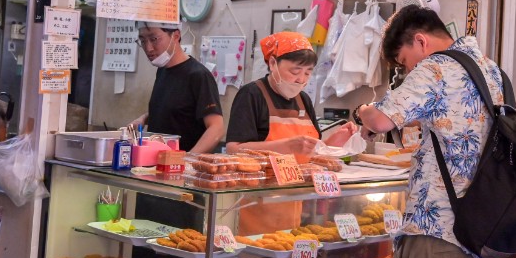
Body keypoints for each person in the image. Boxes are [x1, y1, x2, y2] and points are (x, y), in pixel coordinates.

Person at [355, 5, 499, 258]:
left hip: (438, 235)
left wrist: (361, 111)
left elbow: (379, 120)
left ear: (420, 42)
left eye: (405, 62)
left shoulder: (436, 68)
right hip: (480, 236)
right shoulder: (490, 70)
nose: (407, 72)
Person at [226, 31, 356, 158]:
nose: (301, 79)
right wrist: (287, 146)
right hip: (267, 177)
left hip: (303, 177)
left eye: (307, 73)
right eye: (295, 71)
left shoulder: (303, 99)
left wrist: (332, 142)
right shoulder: (251, 94)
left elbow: (310, 153)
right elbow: (233, 149)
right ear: (273, 64)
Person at [127, 21, 223, 153]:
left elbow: (216, 127)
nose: (148, 48)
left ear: (176, 35)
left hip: (181, 168)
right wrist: (144, 118)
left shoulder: (198, 75)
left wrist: (188, 160)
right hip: (156, 163)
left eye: (154, 39)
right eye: (143, 41)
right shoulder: (162, 71)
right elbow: (177, 110)